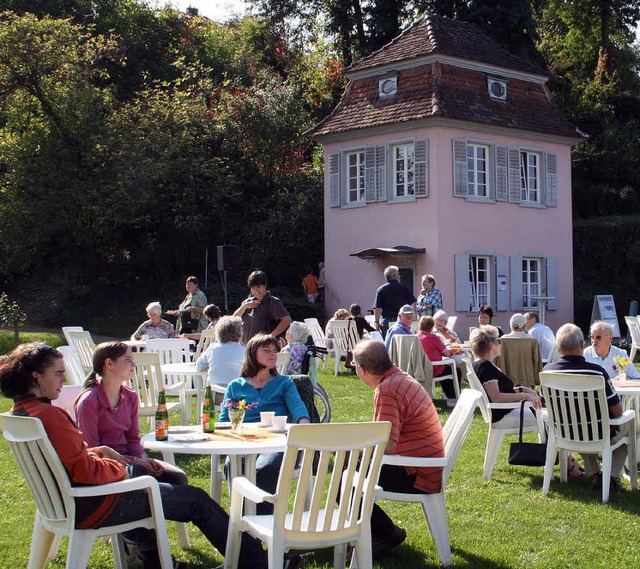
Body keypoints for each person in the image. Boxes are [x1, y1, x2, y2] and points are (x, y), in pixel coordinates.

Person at [0, 342, 268, 569]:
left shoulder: (23, 413)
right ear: (36, 377)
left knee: (173, 486)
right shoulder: (51, 415)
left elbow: (65, 459)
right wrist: (121, 467)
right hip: (95, 504)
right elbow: (85, 471)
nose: (64, 380)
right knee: (196, 500)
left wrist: (98, 452)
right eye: (58, 374)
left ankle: (151, 558)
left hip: (67, 502)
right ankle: (259, 563)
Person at [352, 340, 444, 558]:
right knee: (350, 468)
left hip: (418, 473)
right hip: (425, 465)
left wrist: (352, 451)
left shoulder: (387, 390)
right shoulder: (398, 377)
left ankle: (379, 538)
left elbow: (387, 444)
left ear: (362, 370)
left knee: (344, 478)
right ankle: (383, 533)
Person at [75, 341, 187, 487]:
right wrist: (136, 462)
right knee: (144, 474)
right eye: (127, 360)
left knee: (178, 477)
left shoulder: (130, 396)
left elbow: (133, 438)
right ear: (109, 363)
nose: (133, 365)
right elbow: (92, 449)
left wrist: (143, 457)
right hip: (107, 466)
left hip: (132, 460)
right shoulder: (89, 402)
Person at [219, 334, 310, 513]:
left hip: (276, 443)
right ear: (252, 354)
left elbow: (298, 407)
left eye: (275, 350)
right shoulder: (235, 386)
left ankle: (261, 520)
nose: (273, 355)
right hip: (244, 443)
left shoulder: (284, 383)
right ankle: (241, 518)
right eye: (266, 350)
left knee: (265, 467)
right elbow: (224, 420)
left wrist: (303, 424)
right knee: (233, 463)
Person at [544, 323, 628, 490]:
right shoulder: (596, 373)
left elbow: (545, 405)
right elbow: (617, 411)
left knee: (582, 425)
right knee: (632, 427)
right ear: (582, 345)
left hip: (564, 431)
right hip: (596, 432)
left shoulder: (547, 372)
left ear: (558, 348)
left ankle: (595, 472)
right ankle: (609, 477)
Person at [470, 325, 541, 429]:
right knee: (547, 417)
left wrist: (522, 389)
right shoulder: (485, 367)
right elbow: (496, 397)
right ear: (491, 345)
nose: (501, 345)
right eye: (498, 342)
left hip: (505, 411)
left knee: (544, 414)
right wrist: (524, 396)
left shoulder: (481, 364)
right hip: (503, 416)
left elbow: (502, 391)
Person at [234, 270, 292, 343]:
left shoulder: (273, 302)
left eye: (258, 287)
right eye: (253, 288)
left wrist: (271, 336)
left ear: (265, 285)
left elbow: (287, 320)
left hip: (265, 346)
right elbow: (233, 319)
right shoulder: (247, 302)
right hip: (246, 346)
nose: (256, 290)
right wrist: (244, 307)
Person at [417, 316, 461, 407]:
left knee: (446, 369)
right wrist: (454, 350)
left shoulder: (416, 337)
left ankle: (447, 395)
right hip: (433, 368)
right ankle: (452, 398)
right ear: (432, 327)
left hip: (420, 368)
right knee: (456, 371)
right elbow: (446, 353)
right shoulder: (433, 337)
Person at [195, 316, 245, 387]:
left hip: (214, 392)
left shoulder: (212, 348)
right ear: (240, 334)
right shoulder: (244, 351)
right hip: (235, 392)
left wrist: (211, 368)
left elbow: (199, 366)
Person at [372, 265, 416, 337]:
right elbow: (413, 302)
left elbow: (378, 308)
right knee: (402, 343)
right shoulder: (404, 288)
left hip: (387, 321)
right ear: (394, 276)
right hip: (402, 320)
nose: (399, 276)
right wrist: (411, 315)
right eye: (398, 274)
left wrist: (376, 322)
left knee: (388, 344)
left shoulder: (381, 289)